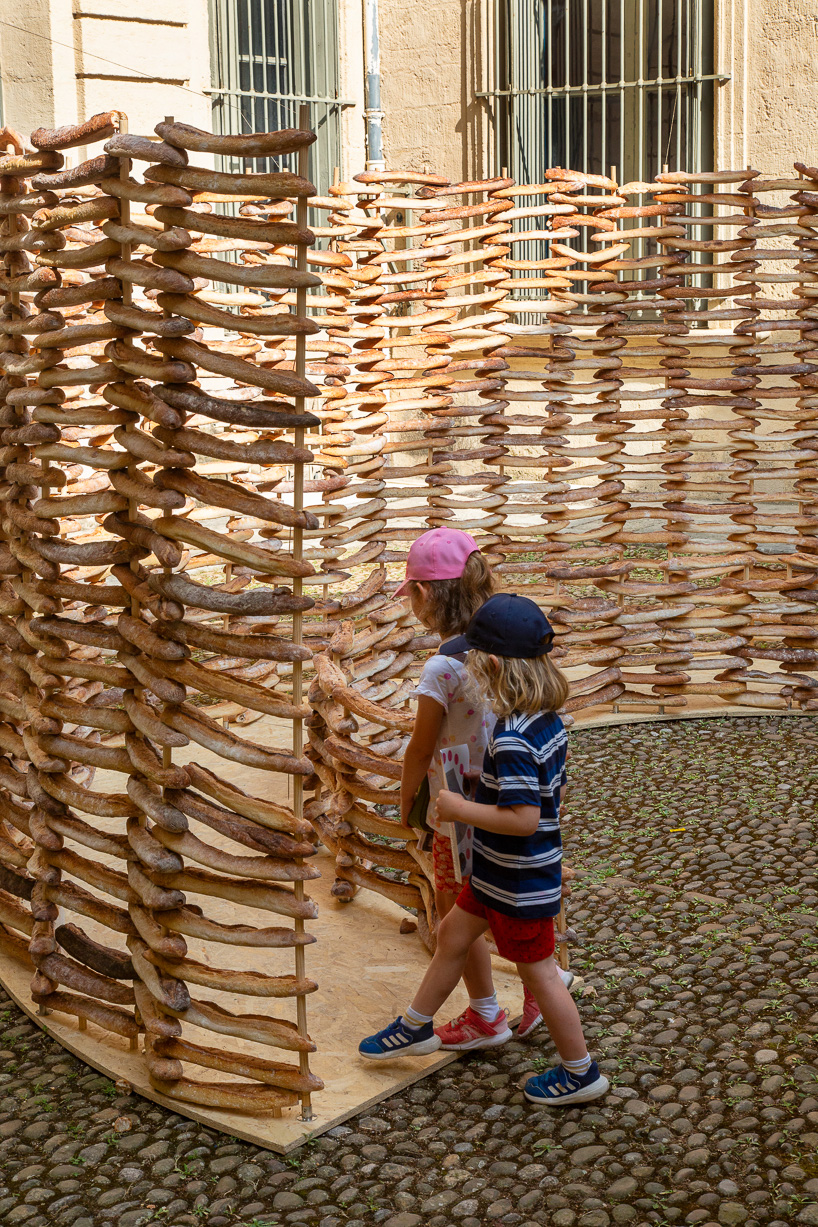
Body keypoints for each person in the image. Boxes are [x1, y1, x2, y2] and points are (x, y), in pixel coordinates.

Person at [361, 593, 608, 1107]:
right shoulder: (547, 722)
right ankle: (416, 1025)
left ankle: (580, 1071)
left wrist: (457, 806)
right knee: (451, 932)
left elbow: (525, 819)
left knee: (538, 970)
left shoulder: (514, 736)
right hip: (500, 874)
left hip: (516, 880)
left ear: (492, 664)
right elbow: (552, 795)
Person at [398, 530, 574, 1049]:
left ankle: (485, 1013)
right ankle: (542, 993)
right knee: (513, 904)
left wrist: (408, 800)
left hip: (464, 811)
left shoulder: (444, 667)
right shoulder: (512, 645)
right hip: (521, 801)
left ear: (424, 594)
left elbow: (420, 748)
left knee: (461, 909)